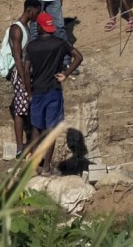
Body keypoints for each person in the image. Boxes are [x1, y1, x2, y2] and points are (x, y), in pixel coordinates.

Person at [24, 12, 83, 175]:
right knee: (51, 130)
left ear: (38, 26)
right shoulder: (59, 43)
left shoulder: (32, 46)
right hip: (53, 91)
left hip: (37, 91)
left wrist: (28, 92)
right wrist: (66, 74)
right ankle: (47, 168)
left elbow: (26, 70)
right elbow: (78, 57)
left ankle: (35, 166)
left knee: (36, 128)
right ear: (49, 27)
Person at [4, 0, 43, 159]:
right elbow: (17, 56)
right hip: (20, 73)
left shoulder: (24, 27)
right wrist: (22, 77)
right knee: (20, 110)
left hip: (26, 73)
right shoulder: (17, 29)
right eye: (36, 12)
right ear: (29, 10)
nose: (37, 16)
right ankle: (20, 147)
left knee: (25, 107)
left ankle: (27, 145)